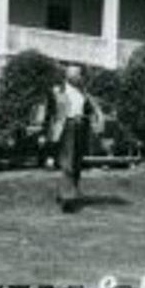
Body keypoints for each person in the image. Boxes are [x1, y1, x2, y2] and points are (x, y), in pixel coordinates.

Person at [44, 65, 103, 214]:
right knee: (67, 162)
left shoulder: (83, 93)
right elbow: (50, 114)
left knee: (77, 162)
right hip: (66, 128)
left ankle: (69, 192)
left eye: (79, 75)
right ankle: (67, 200)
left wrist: (95, 119)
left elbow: (90, 110)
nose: (79, 77)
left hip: (81, 127)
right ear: (68, 76)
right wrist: (46, 133)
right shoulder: (57, 91)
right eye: (76, 75)